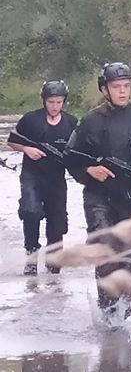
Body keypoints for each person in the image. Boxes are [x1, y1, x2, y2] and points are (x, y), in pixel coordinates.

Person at [64, 62, 131, 319]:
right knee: (106, 252)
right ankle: (107, 310)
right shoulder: (90, 121)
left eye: (126, 86)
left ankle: (123, 310)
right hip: (99, 197)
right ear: (105, 89)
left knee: (129, 256)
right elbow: (70, 157)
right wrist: (89, 170)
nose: (122, 92)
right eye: (116, 87)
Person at [8, 80, 78, 275]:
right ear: (43, 101)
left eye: (58, 102)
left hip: (57, 179)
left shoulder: (72, 123)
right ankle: (31, 255)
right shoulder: (30, 120)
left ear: (64, 101)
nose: (54, 106)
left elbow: (80, 151)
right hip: (32, 177)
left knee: (57, 223)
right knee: (31, 212)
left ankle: (53, 263)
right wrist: (27, 149)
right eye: (50, 102)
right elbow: (12, 141)